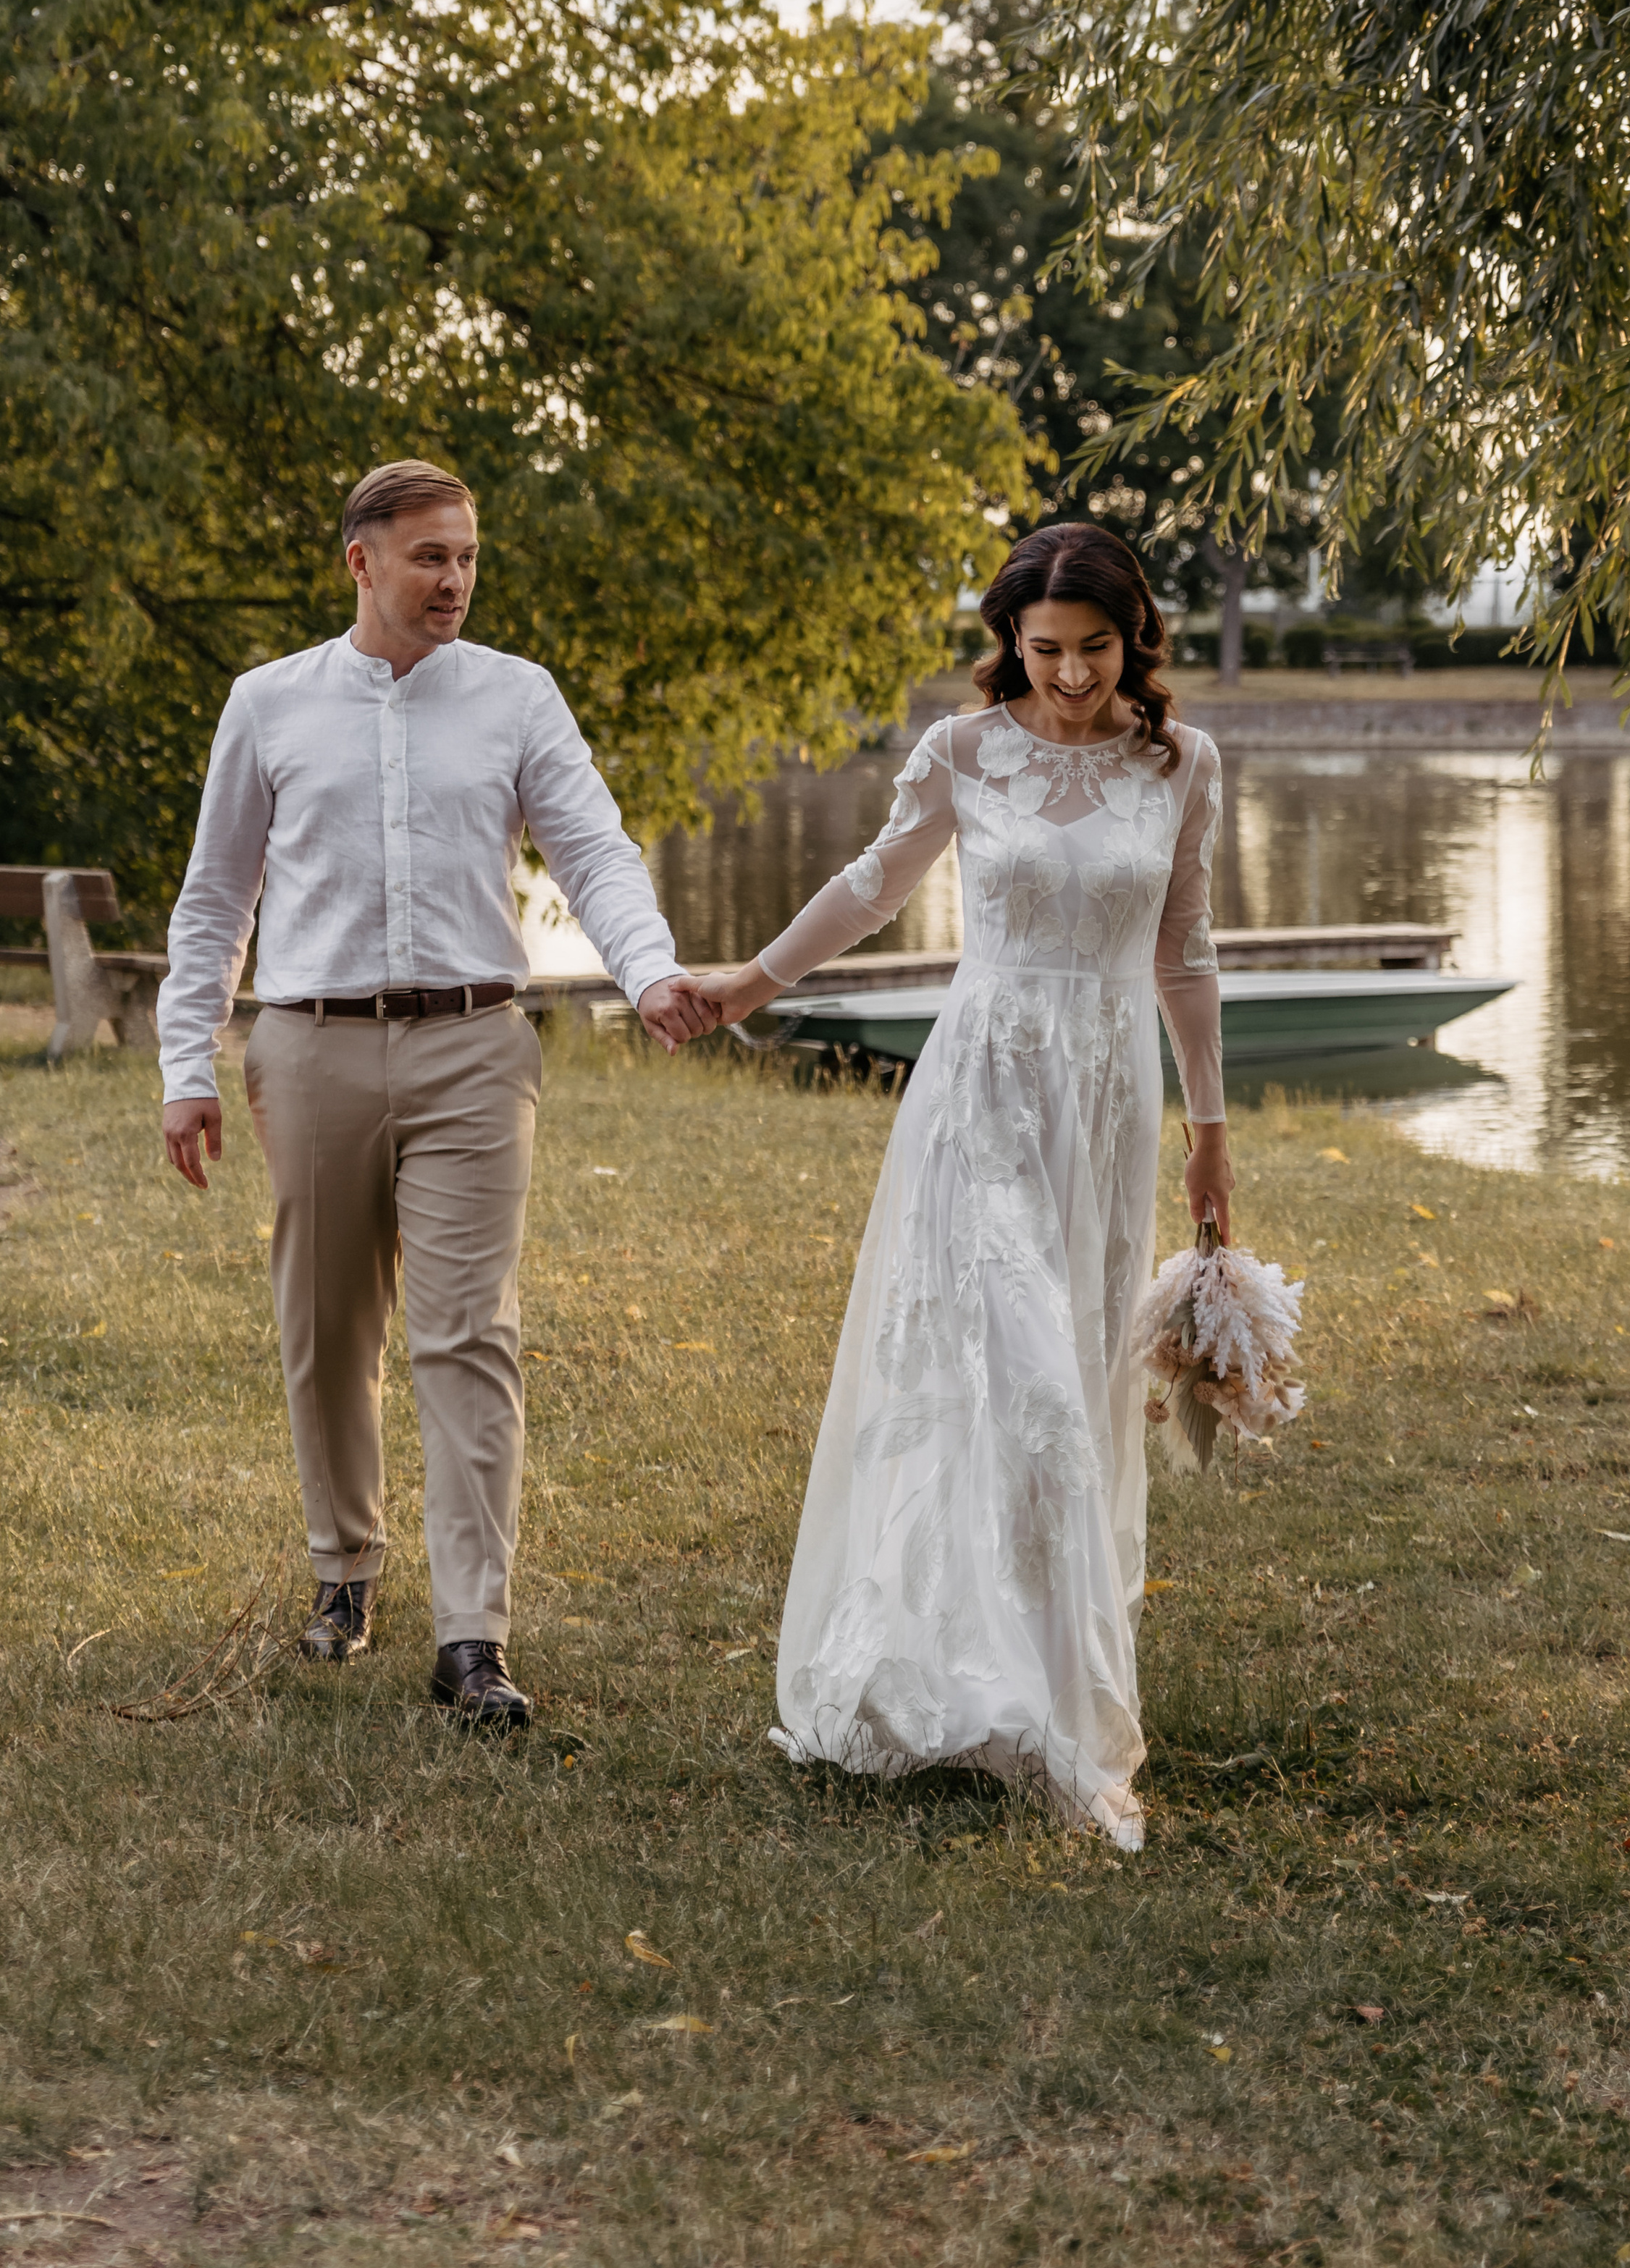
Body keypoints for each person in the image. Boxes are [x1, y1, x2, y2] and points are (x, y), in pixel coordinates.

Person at [698, 523, 1232, 1847]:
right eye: (1043, 649)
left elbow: (1187, 952)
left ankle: (1032, 1683)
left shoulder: (1181, 765)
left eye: (1094, 650)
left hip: (1105, 1106)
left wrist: (1212, 1127)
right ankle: (1006, 1704)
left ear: (1136, 639)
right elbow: (873, 884)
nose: (1067, 676)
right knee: (1004, 1377)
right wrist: (752, 983)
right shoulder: (963, 752)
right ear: (1011, 643)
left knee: (1077, 1382)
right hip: (981, 1091)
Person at [157, 460, 715, 1725]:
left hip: (475, 1048)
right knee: (327, 1328)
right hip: (309, 1046)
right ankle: (343, 1574)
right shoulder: (269, 703)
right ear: (362, 561)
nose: (454, 579)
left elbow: (594, 850)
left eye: (466, 556)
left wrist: (650, 972)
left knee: (471, 1336)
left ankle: (473, 1641)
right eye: (429, 558)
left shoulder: (518, 698)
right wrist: (187, 1065)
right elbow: (214, 899)